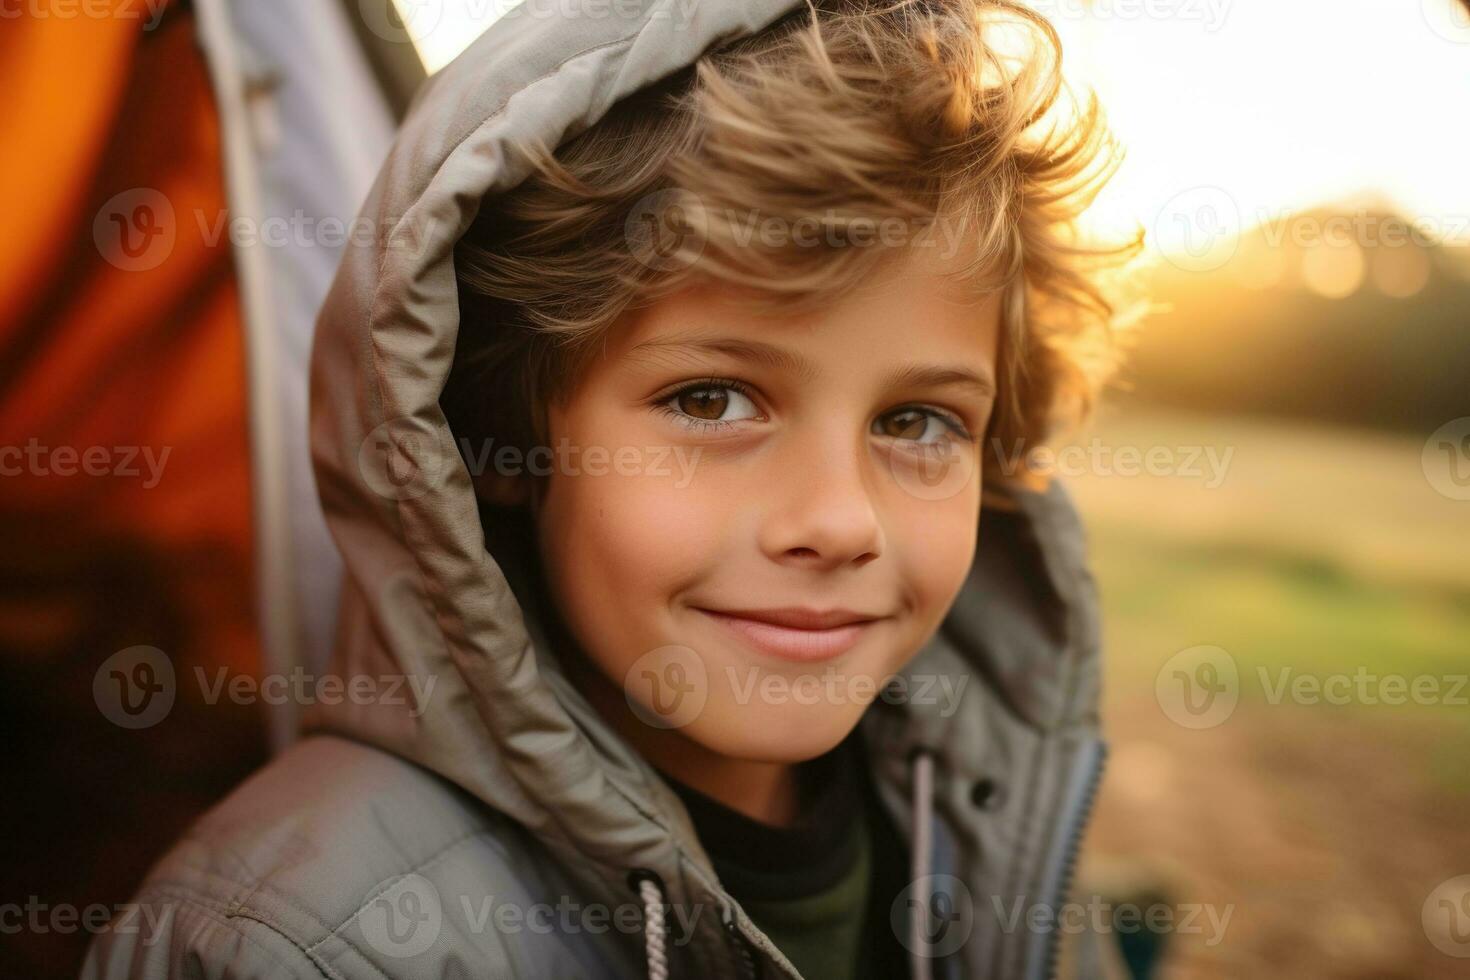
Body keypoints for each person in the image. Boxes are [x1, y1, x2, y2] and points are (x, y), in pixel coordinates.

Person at [83, 0, 1140, 977]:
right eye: (714, 400)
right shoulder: (293, 944)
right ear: (497, 437)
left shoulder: (990, 813)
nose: (837, 520)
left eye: (917, 422)